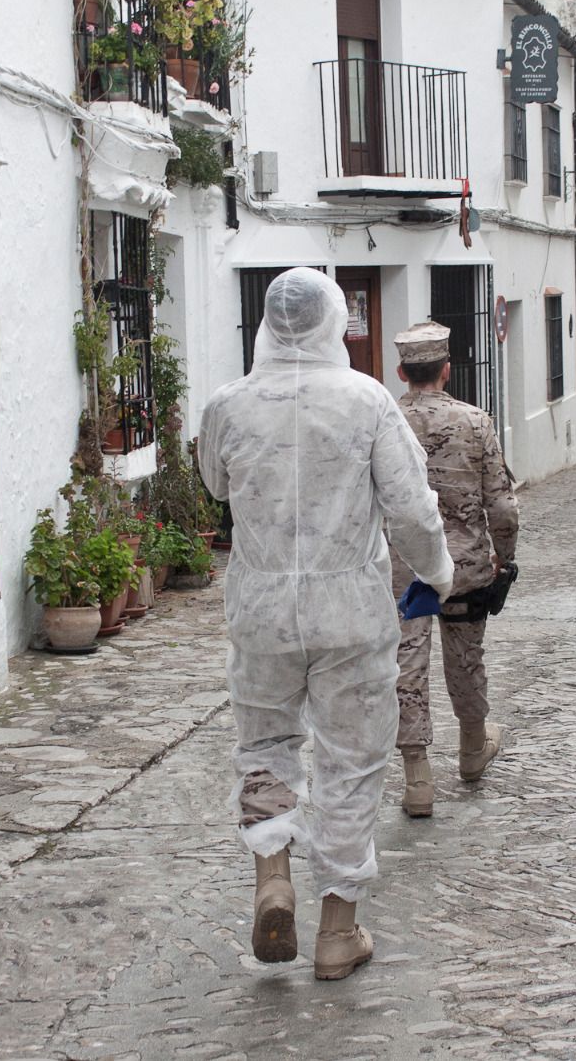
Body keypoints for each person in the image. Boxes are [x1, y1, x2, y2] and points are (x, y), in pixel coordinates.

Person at [198, 268, 453, 981]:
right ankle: (339, 931)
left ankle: (273, 873)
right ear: (334, 322)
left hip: (261, 611)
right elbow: (409, 506)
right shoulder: (366, 402)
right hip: (351, 611)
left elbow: (215, 484)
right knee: (350, 760)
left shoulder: (229, 404)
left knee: (265, 745)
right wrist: (439, 571)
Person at [387, 321, 518, 818]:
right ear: (446, 369)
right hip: (464, 565)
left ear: (402, 371)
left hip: (404, 567)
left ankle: (418, 780)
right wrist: (504, 554)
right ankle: (470, 751)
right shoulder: (476, 422)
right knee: (467, 658)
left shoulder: (386, 421)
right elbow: (502, 506)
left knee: (407, 666)